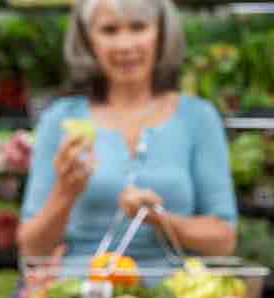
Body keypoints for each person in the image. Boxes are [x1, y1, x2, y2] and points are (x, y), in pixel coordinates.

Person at [18, 0, 237, 267]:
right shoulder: (61, 119)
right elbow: (32, 248)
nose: (125, 45)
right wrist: (65, 192)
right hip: (80, 293)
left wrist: (158, 218)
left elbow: (224, 240)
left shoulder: (198, 117)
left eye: (138, 27)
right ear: (89, 40)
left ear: (161, 34)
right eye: (109, 30)